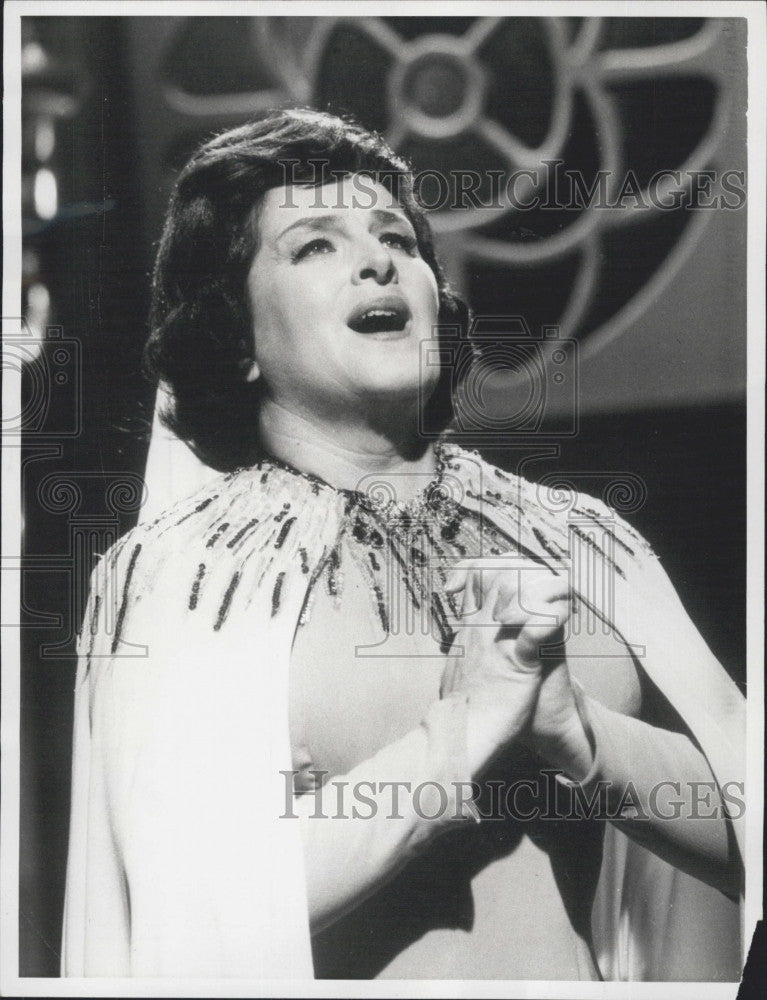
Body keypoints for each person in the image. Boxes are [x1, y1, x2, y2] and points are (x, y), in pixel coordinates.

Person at [62, 109, 745, 981]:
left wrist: (575, 732)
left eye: (396, 237)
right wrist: (451, 741)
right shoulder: (187, 575)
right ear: (235, 337)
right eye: (313, 246)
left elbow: (744, 833)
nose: (378, 259)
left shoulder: (580, 538)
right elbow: (194, 908)